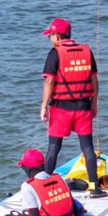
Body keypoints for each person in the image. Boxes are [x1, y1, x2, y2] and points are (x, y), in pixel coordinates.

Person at [40, 19, 102, 193]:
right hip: (83, 107)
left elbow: (50, 81)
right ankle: (94, 187)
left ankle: (44, 186)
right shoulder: (86, 52)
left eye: (50, 35)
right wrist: (94, 104)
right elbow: (94, 80)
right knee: (87, 146)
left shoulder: (54, 54)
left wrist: (44, 106)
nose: (50, 39)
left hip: (61, 109)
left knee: (53, 147)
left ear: (57, 36)